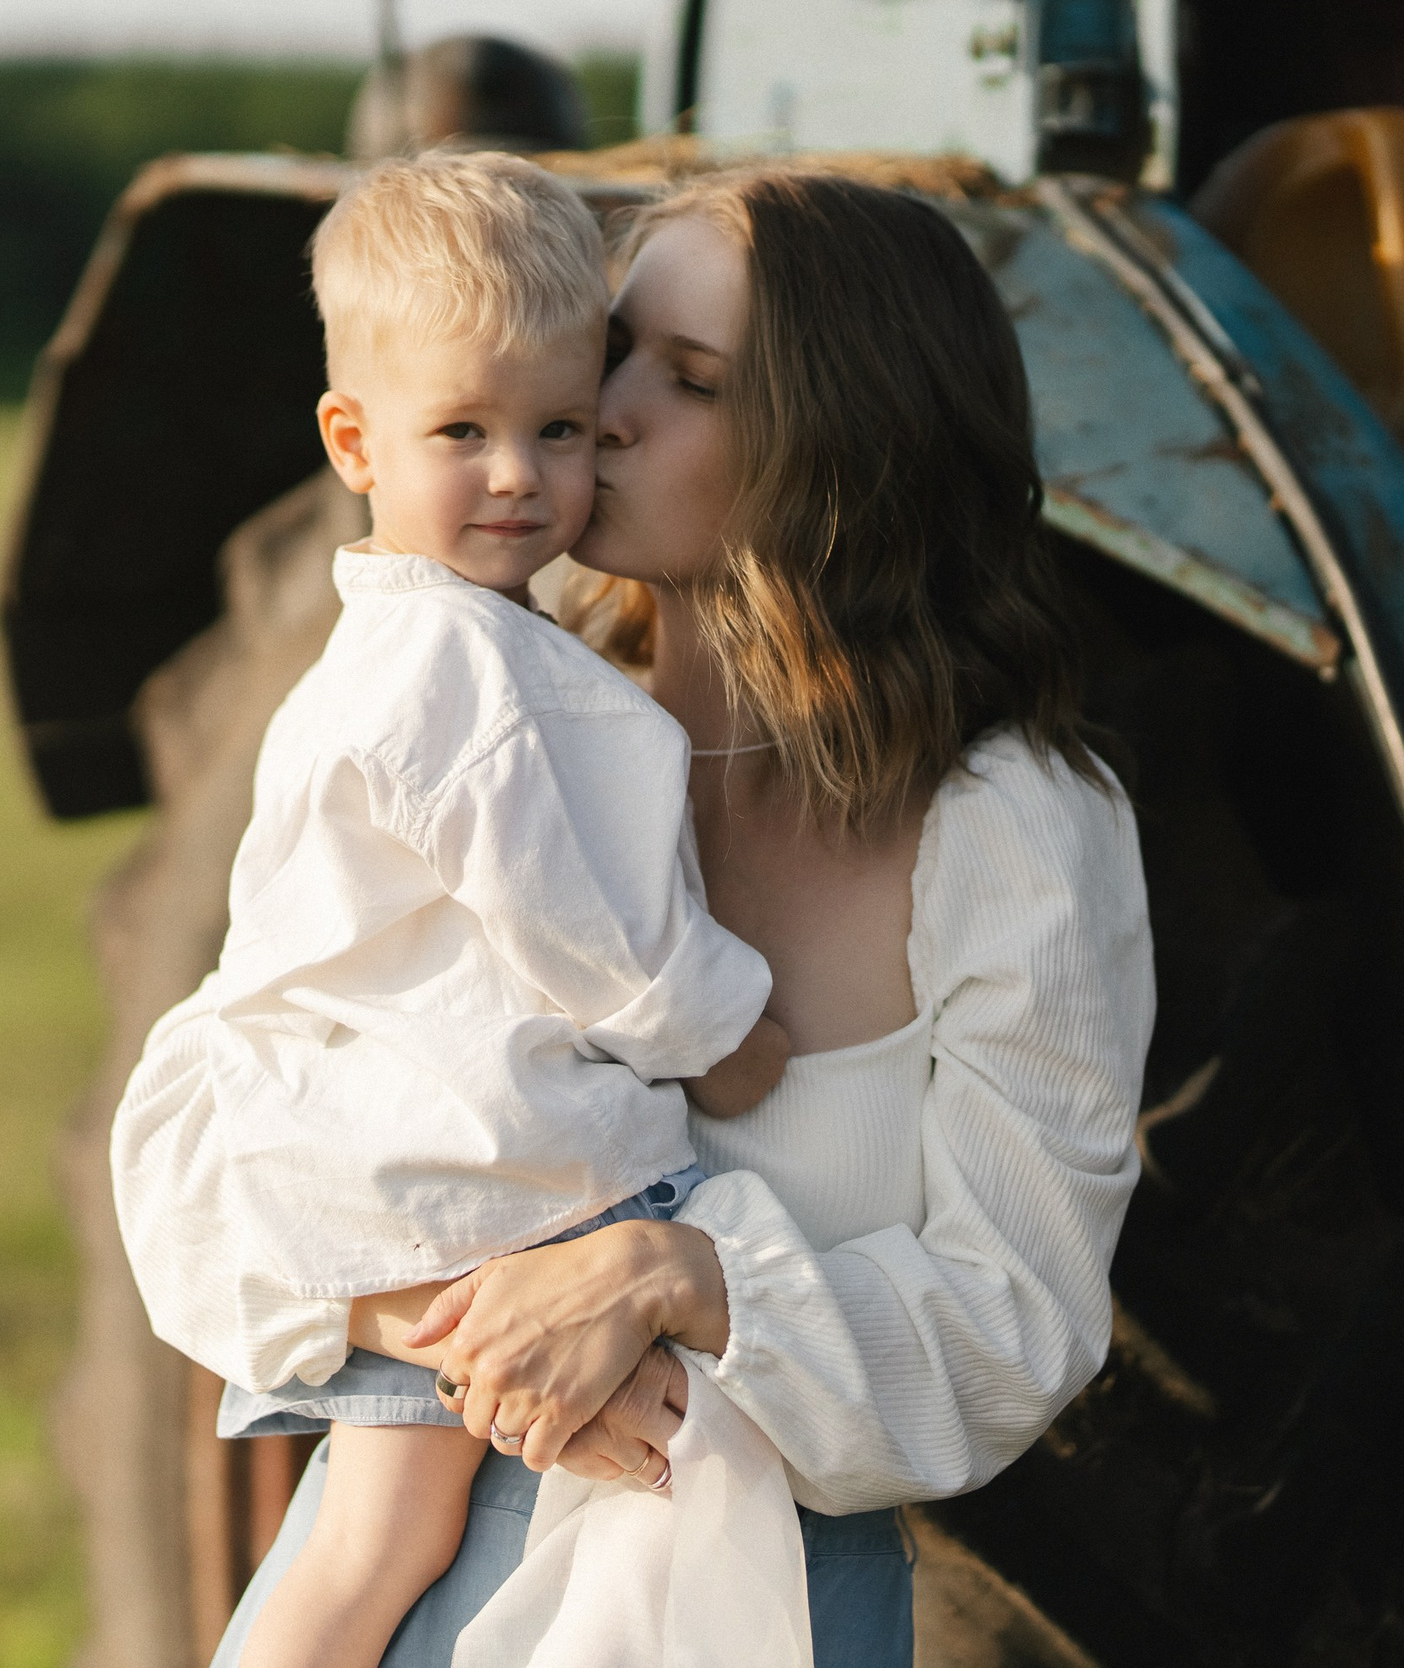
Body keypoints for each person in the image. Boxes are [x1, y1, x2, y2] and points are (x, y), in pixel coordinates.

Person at [128, 165, 1156, 1668]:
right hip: (399, 1589)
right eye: (612, 352)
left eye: (687, 381)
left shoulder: (1012, 826)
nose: (597, 413)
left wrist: (676, 1279)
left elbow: (1020, 1325)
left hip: (725, 1609)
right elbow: (195, 1148)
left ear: (843, 444)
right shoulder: (483, 757)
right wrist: (461, 1314)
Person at [112, 151, 793, 1668]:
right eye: (463, 433)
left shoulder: (463, 643)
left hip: (447, 1165)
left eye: (559, 428)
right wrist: (717, 1027)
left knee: (393, 1538)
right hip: (450, 1182)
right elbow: (569, 919)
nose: (519, 476)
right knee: (380, 1545)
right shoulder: (453, 671)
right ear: (353, 440)